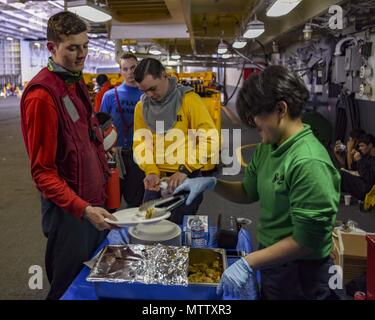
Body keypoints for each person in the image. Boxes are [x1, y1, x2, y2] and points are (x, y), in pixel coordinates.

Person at [175, 65, 342, 300]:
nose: (253, 124)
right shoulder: (269, 146)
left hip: (301, 274)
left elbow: (307, 242)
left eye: (256, 117)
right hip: (273, 259)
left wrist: (248, 262)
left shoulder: (309, 162)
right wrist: (213, 183)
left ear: (280, 109)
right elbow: (247, 191)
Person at [20, 11, 115, 300]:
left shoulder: (75, 83)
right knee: (69, 289)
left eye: (85, 46)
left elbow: (87, 136)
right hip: (70, 213)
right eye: (72, 48)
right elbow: (43, 173)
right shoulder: (42, 96)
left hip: (93, 204)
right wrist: (82, 209)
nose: (81, 54)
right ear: (52, 48)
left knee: (97, 281)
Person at [133, 58, 219, 224]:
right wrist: (150, 170)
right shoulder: (141, 107)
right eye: (144, 91)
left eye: (152, 88)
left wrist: (185, 169)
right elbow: (141, 143)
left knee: (176, 230)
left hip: (185, 177)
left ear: (164, 76)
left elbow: (210, 139)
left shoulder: (188, 100)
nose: (150, 95)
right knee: (149, 228)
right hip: (156, 180)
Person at [100, 53, 145, 208]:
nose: (130, 72)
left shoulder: (147, 96)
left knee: (135, 204)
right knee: (111, 203)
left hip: (138, 156)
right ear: (121, 72)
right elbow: (101, 128)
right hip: (114, 156)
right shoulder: (109, 96)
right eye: (125, 69)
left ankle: (133, 233)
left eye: (133, 68)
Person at [341, 134, 375, 201]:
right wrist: (353, 156)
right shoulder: (366, 157)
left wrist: (359, 160)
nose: (360, 148)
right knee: (341, 173)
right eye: (359, 146)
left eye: (362, 146)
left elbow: (369, 179)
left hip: (369, 190)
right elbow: (352, 168)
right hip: (362, 185)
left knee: (341, 175)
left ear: (370, 145)